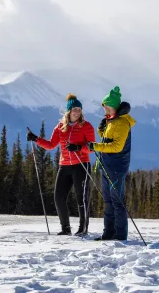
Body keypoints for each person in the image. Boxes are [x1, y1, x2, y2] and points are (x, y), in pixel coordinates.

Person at [27, 93, 96, 236]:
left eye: (79, 110)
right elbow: (51, 145)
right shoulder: (60, 127)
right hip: (64, 166)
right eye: (75, 110)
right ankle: (65, 228)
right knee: (59, 197)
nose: (77, 112)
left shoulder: (86, 126)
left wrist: (78, 147)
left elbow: (92, 146)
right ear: (69, 111)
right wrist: (35, 139)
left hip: (81, 165)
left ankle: (83, 228)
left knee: (81, 198)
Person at [87, 86, 136, 241]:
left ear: (114, 107)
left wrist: (95, 146)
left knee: (117, 201)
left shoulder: (122, 123)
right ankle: (108, 233)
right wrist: (101, 131)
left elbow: (116, 147)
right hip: (107, 165)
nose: (105, 110)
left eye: (107, 107)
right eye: (104, 107)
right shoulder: (112, 120)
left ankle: (120, 235)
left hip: (116, 167)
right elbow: (108, 140)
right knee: (108, 201)